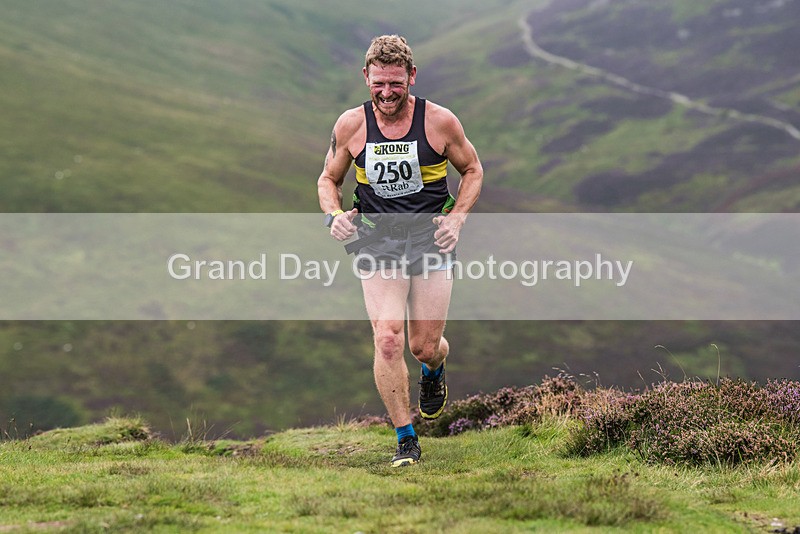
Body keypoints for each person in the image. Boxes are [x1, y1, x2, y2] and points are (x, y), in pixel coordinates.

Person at [317, 35, 483, 467]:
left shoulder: (440, 122)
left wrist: (457, 219)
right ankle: (406, 438)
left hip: (430, 240)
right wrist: (334, 216)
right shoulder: (351, 125)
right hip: (377, 241)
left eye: (396, 83)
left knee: (423, 346)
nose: (387, 93)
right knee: (388, 337)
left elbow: (472, 170)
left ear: (411, 76)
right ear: (366, 78)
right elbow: (327, 180)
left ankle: (434, 369)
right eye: (378, 85)